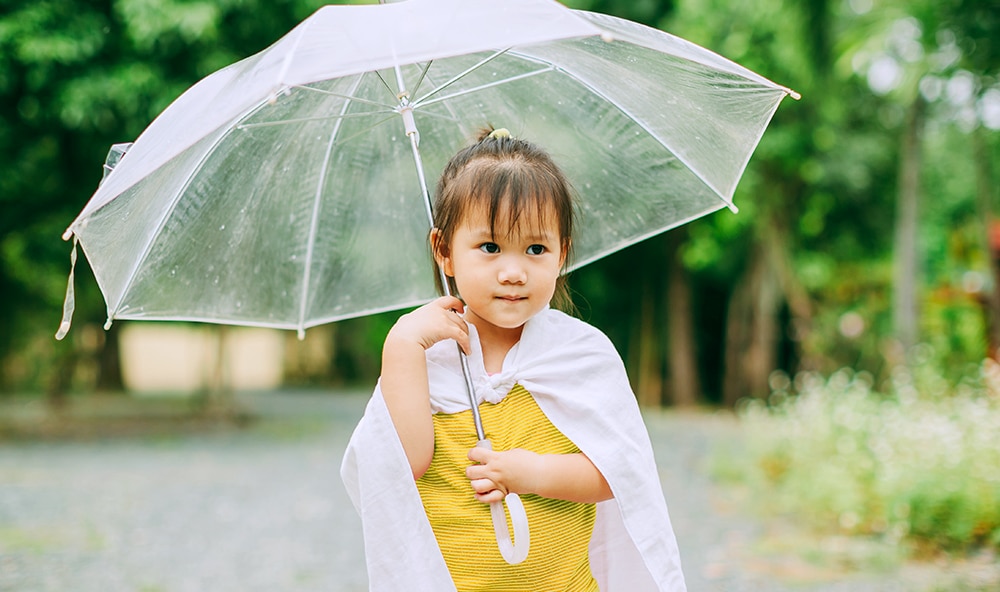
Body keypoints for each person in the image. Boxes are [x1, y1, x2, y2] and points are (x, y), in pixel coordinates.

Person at [341, 128, 686, 591]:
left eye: (536, 249)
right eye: (489, 247)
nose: (513, 271)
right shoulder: (427, 355)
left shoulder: (579, 354)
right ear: (444, 251)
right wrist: (401, 347)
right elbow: (401, 468)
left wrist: (531, 472)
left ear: (561, 253)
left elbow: (616, 473)